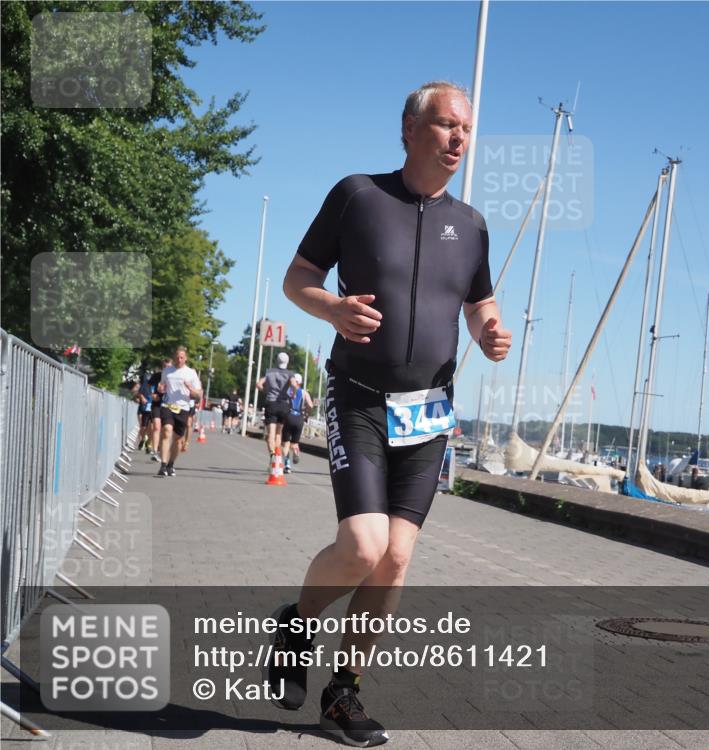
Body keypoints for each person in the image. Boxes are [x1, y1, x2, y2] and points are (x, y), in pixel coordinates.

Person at [270, 80, 512, 747]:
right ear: (409, 129)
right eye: (447, 124)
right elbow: (297, 278)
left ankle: (343, 694)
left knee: (395, 559)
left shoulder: (472, 225)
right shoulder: (357, 196)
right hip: (359, 397)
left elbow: (478, 303)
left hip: (428, 411)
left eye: (467, 128)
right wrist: (331, 309)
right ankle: (297, 623)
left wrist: (490, 330)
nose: (459, 138)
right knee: (363, 546)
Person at [157, 347, 202, 477]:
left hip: (183, 408)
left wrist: (190, 388)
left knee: (178, 440)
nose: (179, 359)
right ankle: (163, 465)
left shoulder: (191, 373)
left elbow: (198, 394)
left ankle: (171, 464)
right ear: (174, 357)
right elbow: (162, 387)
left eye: (182, 357)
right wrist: (161, 389)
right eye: (177, 357)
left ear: (185, 358)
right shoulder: (167, 371)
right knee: (166, 431)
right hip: (168, 405)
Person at [256, 351, 294, 459]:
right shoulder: (289, 374)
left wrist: (266, 391)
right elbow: (294, 384)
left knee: (271, 434)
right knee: (278, 433)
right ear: (287, 362)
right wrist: (293, 394)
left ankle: (272, 456)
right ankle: (277, 457)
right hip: (283, 404)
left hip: (271, 403)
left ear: (277, 361)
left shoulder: (270, 372)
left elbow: (258, 384)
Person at [280, 373, 314, 474]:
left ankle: (287, 465)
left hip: (289, 416)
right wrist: (306, 412)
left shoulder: (287, 391)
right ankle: (295, 452)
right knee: (295, 443)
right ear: (301, 382)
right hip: (299, 417)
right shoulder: (304, 393)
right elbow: (311, 405)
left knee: (286, 443)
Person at [147, 358, 170, 462]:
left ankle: (162, 450)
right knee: (156, 426)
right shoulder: (156, 376)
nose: (166, 368)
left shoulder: (174, 378)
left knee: (165, 429)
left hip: (169, 406)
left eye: (168, 367)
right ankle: (155, 451)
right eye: (165, 367)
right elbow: (147, 386)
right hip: (157, 404)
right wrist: (152, 395)